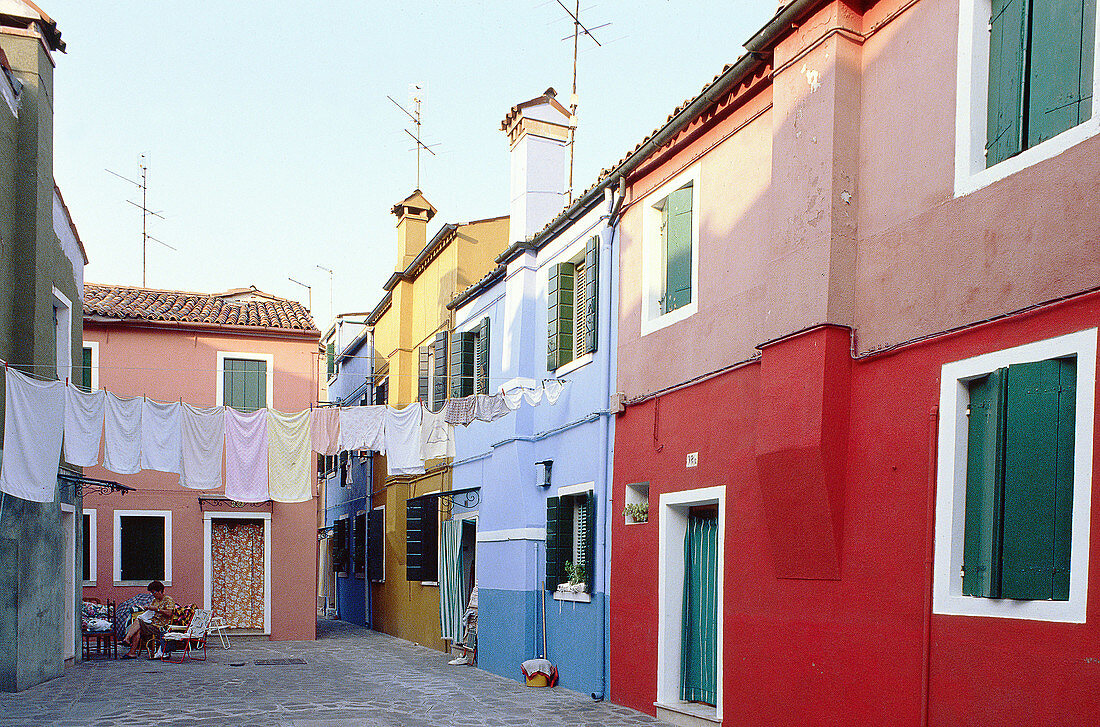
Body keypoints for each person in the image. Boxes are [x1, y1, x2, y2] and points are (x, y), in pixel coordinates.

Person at [121, 581, 175, 659]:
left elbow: (169, 613)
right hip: (152, 623)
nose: (153, 594)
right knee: (138, 627)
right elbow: (151, 611)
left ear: (160, 591)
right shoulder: (155, 600)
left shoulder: (168, 600)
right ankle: (131, 652)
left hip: (160, 626)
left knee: (138, 621)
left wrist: (157, 609)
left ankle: (127, 639)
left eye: (154, 592)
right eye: (151, 593)